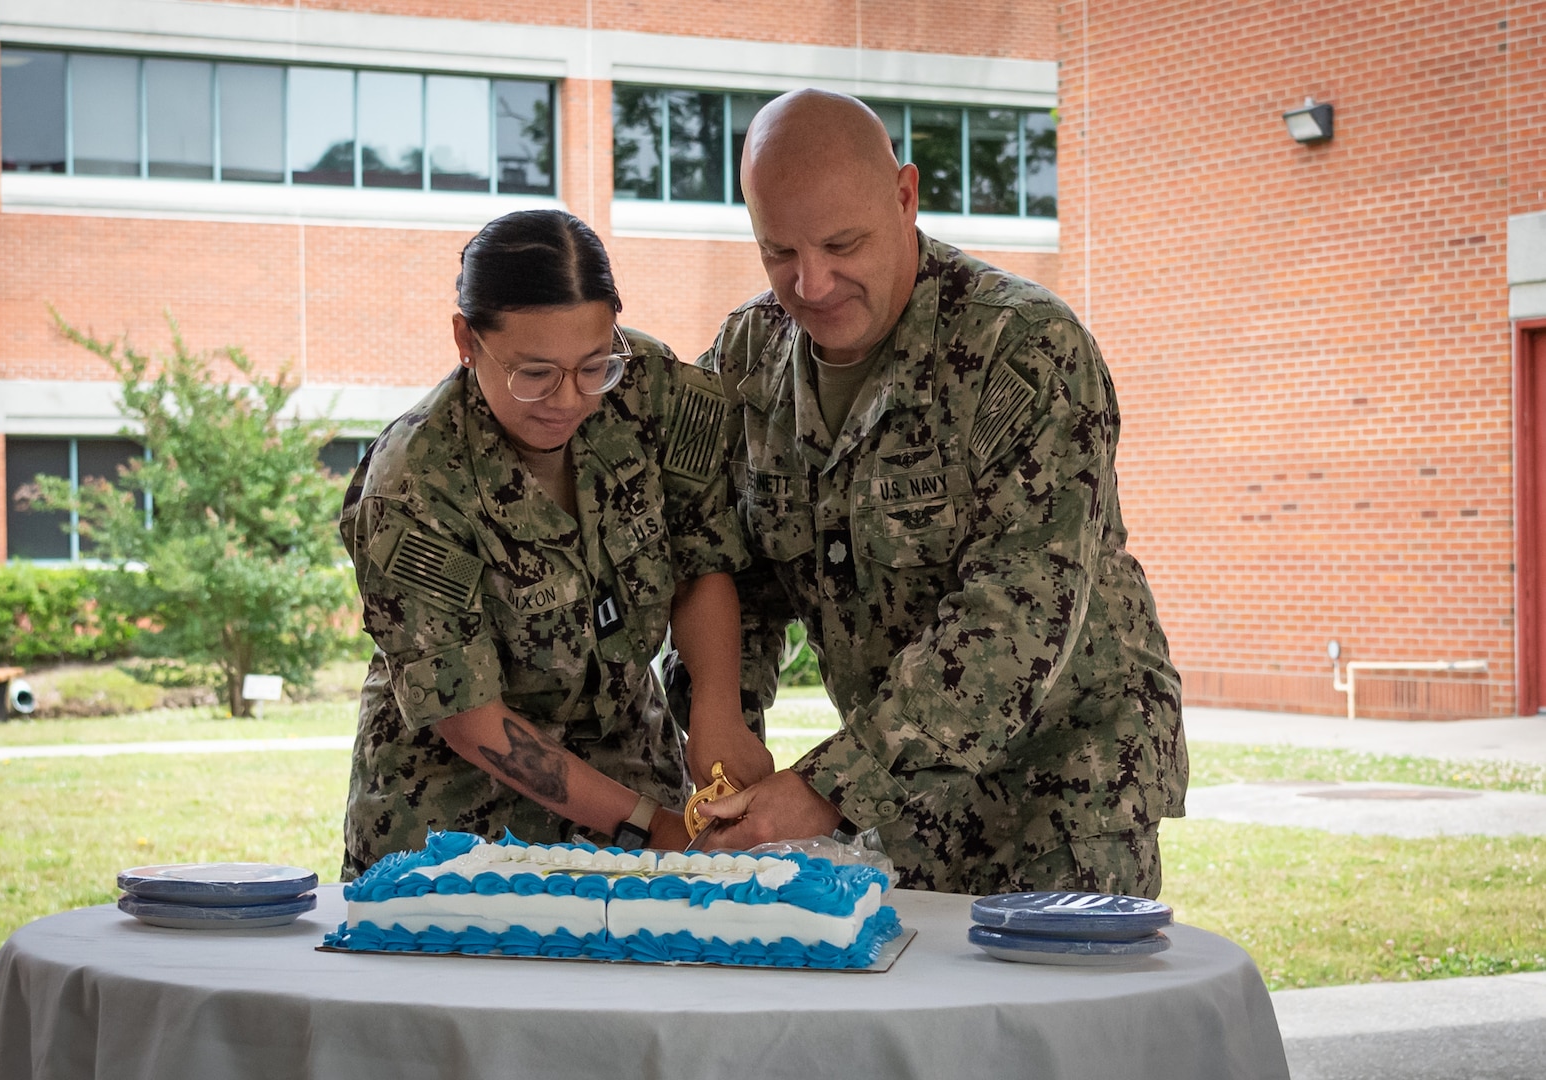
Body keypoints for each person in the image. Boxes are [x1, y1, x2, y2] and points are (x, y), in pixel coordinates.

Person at [692, 90, 1188, 898]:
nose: (809, 282)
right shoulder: (747, 357)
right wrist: (725, 719)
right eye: (776, 250)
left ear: (905, 195)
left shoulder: (1024, 350)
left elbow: (1017, 614)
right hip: (903, 806)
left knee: (1041, 1025)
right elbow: (724, 565)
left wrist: (825, 789)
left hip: (1065, 793)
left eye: (840, 243)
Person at [338, 209, 771, 879]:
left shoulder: (651, 390)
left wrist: (715, 709)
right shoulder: (414, 482)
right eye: (534, 373)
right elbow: (469, 717)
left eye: (593, 365)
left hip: (636, 777)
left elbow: (700, 557)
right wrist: (647, 823)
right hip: (458, 831)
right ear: (466, 340)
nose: (569, 399)